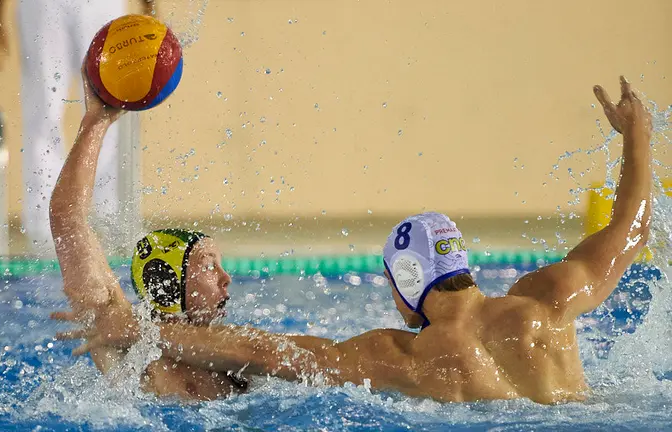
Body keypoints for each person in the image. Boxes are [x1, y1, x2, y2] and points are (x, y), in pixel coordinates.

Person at [56, 76, 653, 405]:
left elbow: (268, 353)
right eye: (209, 264)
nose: (228, 276)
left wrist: (137, 328)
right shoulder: (549, 301)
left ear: (406, 284)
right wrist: (638, 136)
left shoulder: (405, 357)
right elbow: (631, 230)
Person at [47, 61, 247, 400]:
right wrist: (96, 122)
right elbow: (68, 219)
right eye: (209, 265)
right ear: (169, 280)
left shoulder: (238, 354)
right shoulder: (125, 344)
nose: (226, 277)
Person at [0, 0, 155, 252]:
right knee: (42, 113)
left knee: (113, 108)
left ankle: (115, 224)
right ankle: (44, 234)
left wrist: (151, 9)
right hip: (44, 7)